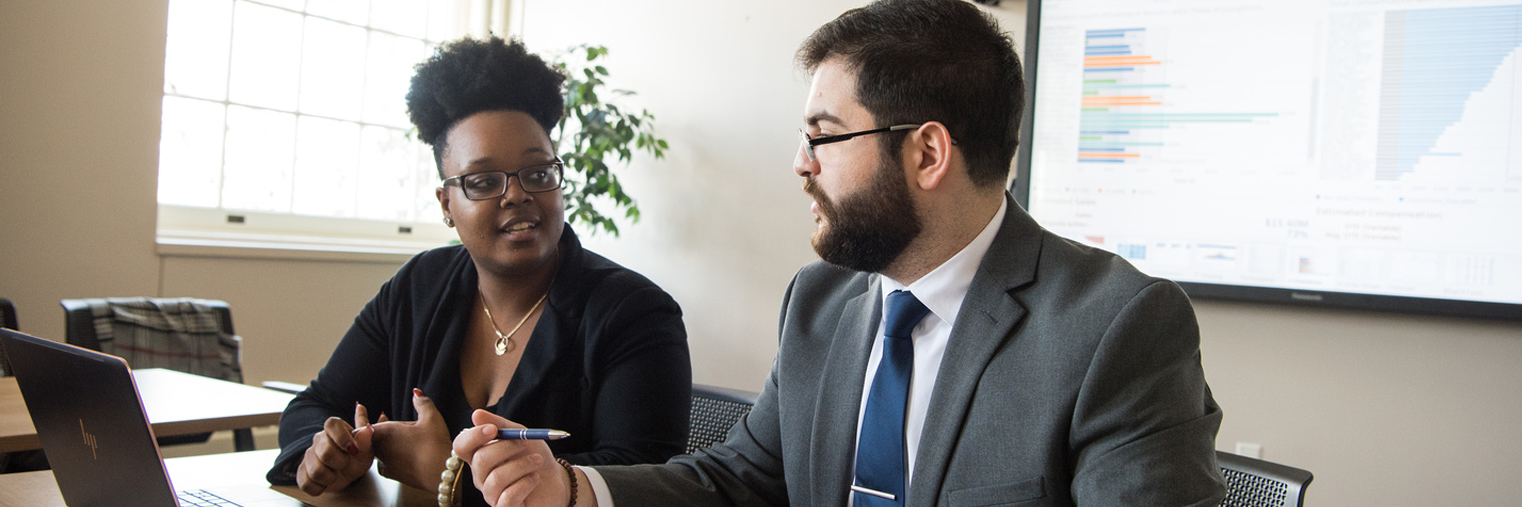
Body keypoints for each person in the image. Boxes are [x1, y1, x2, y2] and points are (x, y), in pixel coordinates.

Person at [451, 0, 1226, 505]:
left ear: (928, 154)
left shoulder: (1117, 328)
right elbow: (743, 477)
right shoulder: (820, 302)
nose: (799, 162)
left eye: (823, 135)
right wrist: (575, 489)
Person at [264, 36, 693, 507]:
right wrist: (330, 453)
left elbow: (642, 482)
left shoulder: (635, 312)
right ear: (447, 205)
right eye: (483, 182)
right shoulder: (418, 287)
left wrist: (447, 475)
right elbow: (314, 408)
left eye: (538, 173)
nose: (516, 195)